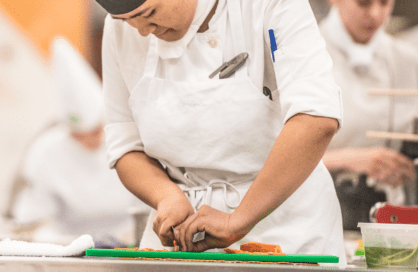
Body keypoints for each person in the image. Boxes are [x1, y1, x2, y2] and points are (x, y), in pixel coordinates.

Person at [97, 0, 347, 263]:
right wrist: (166, 196)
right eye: (126, 20)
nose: (141, 31)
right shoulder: (119, 29)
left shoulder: (269, 5)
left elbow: (316, 119)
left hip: (289, 232)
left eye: (149, 14)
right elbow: (126, 147)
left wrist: (237, 220)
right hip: (183, 244)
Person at [11, 37, 142, 247]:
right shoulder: (45, 150)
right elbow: (32, 219)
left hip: (128, 244)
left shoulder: (129, 139)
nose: (88, 141)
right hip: (67, 247)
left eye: (95, 131)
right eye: (79, 136)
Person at [319, 0, 418, 229]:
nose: (374, 14)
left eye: (384, 3)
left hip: (385, 218)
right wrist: (348, 159)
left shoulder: (407, 59)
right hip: (317, 211)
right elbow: (268, 156)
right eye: (363, 3)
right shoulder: (305, 53)